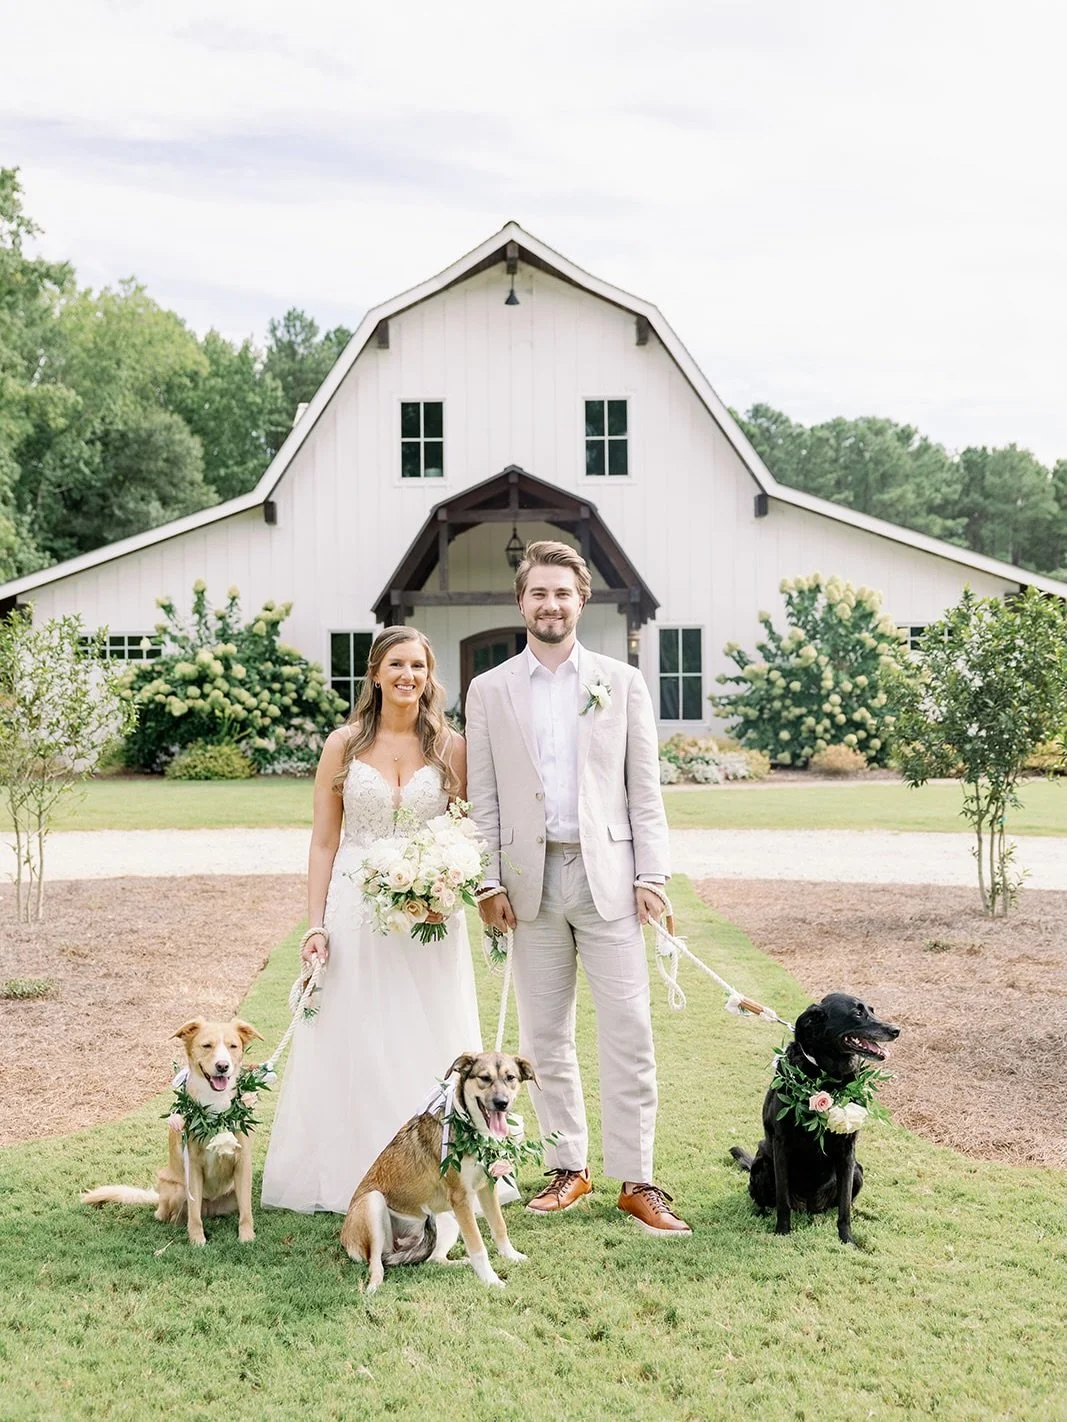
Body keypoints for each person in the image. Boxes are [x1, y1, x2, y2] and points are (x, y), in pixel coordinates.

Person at [465, 540, 691, 1235]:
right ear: (520, 601)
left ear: (579, 600)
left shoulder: (620, 683)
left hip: (611, 882)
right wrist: (485, 883)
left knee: (629, 1030)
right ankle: (568, 1166)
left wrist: (651, 875)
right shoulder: (489, 689)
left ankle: (637, 1179)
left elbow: (642, 790)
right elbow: (485, 797)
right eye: (538, 593)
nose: (550, 604)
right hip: (528, 887)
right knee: (544, 1037)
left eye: (561, 593)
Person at [261, 626, 482, 1214]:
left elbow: (463, 830)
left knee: (425, 1026)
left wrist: (447, 882)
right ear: (376, 674)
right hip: (355, 907)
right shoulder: (344, 743)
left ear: (429, 676)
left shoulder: (450, 747)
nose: (409, 676)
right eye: (397, 665)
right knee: (354, 1029)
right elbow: (323, 842)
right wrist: (314, 925)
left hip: (429, 910)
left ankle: (436, 1174)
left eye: (419, 665)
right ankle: (351, 1167)